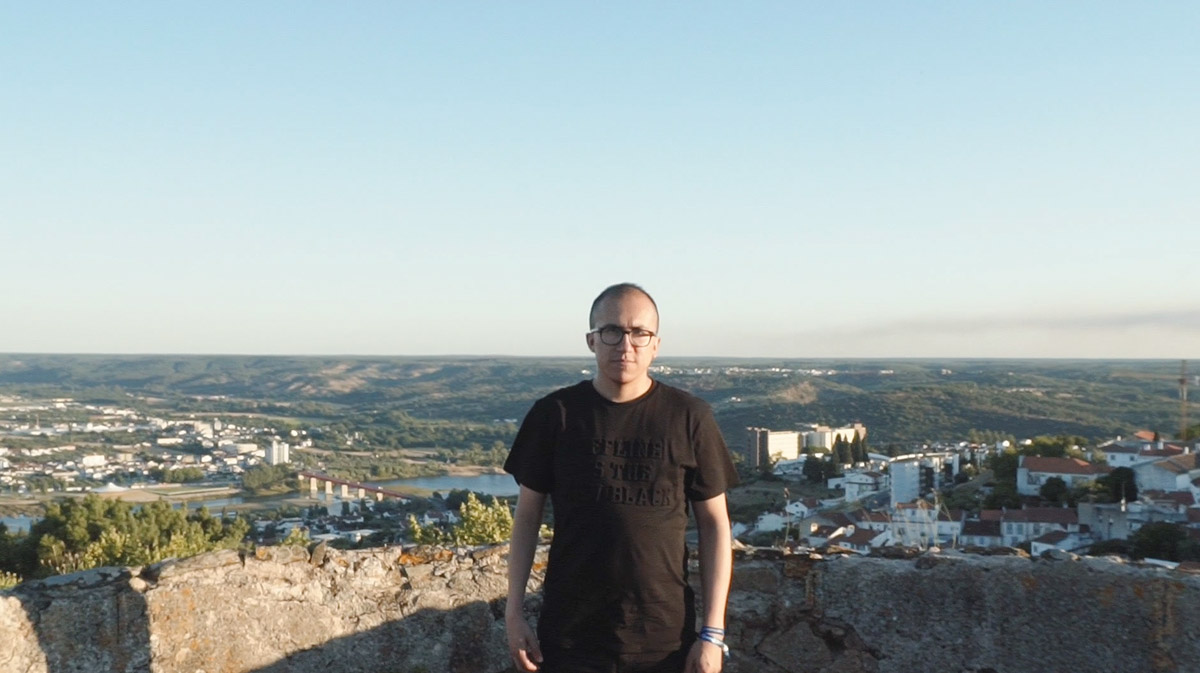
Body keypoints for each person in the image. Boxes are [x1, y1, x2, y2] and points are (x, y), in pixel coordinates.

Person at [504, 283, 738, 673]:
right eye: (612, 331)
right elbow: (527, 517)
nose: (625, 345)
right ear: (591, 340)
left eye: (639, 333)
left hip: (664, 638)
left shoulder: (690, 417)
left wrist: (713, 634)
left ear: (655, 345)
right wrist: (514, 613)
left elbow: (715, 524)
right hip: (570, 636)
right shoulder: (555, 414)